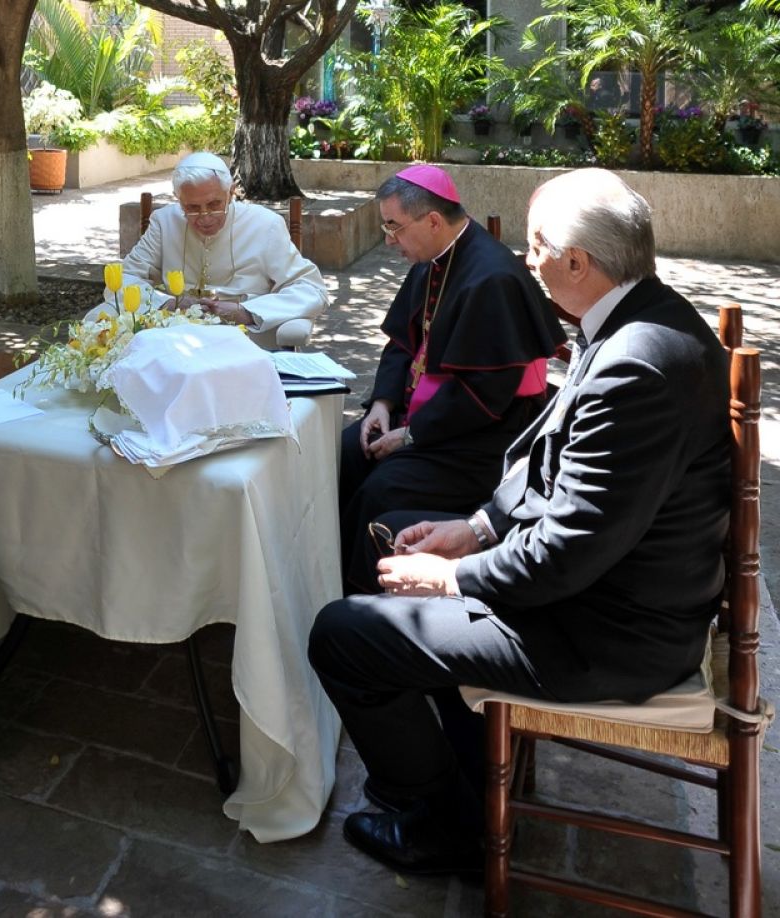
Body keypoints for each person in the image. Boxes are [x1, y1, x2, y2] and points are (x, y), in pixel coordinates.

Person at [308, 168, 731, 877]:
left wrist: (452, 578)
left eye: (536, 246)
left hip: (604, 631)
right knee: (401, 529)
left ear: (576, 261)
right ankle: (477, 782)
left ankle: (447, 829)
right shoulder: (635, 319)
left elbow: (566, 553)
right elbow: (550, 469)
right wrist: (474, 528)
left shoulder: (638, 365)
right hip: (604, 591)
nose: (526, 262)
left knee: (343, 634)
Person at [338, 164, 565, 593]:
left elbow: (485, 394)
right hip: (422, 416)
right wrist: (384, 405)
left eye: (394, 227)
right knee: (347, 451)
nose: (389, 240)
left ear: (433, 220)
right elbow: (402, 344)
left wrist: (410, 435)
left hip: (484, 435)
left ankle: (359, 600)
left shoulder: (491, 278)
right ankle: (320, 571)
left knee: (380, 491)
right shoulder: (432, 257)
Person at [95, 151, 329, 338]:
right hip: (174, 338)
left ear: (231, 193)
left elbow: (311, 290)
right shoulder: (165, 222)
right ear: (179, 200)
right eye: (192, 208)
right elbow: (123, 280)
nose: (205, 216)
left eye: (215, 204)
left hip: (245, 340)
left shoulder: (265, 225)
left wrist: (247, 313)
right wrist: (167, 303)